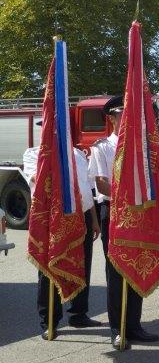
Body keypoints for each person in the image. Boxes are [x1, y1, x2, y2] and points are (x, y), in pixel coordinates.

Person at [92, 96, 159, 349]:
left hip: (138, 213)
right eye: (122, 115)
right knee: (117, 271)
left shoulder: (140, 148)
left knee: (137, 267)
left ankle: (134, 325)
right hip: (115, 212)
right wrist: (127, 198)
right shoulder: (103, 147)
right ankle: (117, 328)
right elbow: (100, 182)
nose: (127, 119)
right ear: (111, 118)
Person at [25, 134, 102, 337]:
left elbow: (87, 189)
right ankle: (49, 320)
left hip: (82, 214)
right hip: (55, 218)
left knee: (81, 264)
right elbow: (37, 180)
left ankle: (79, 314)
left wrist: (93, 219)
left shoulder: (78, 154)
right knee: (50, 268)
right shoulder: (35, 154)